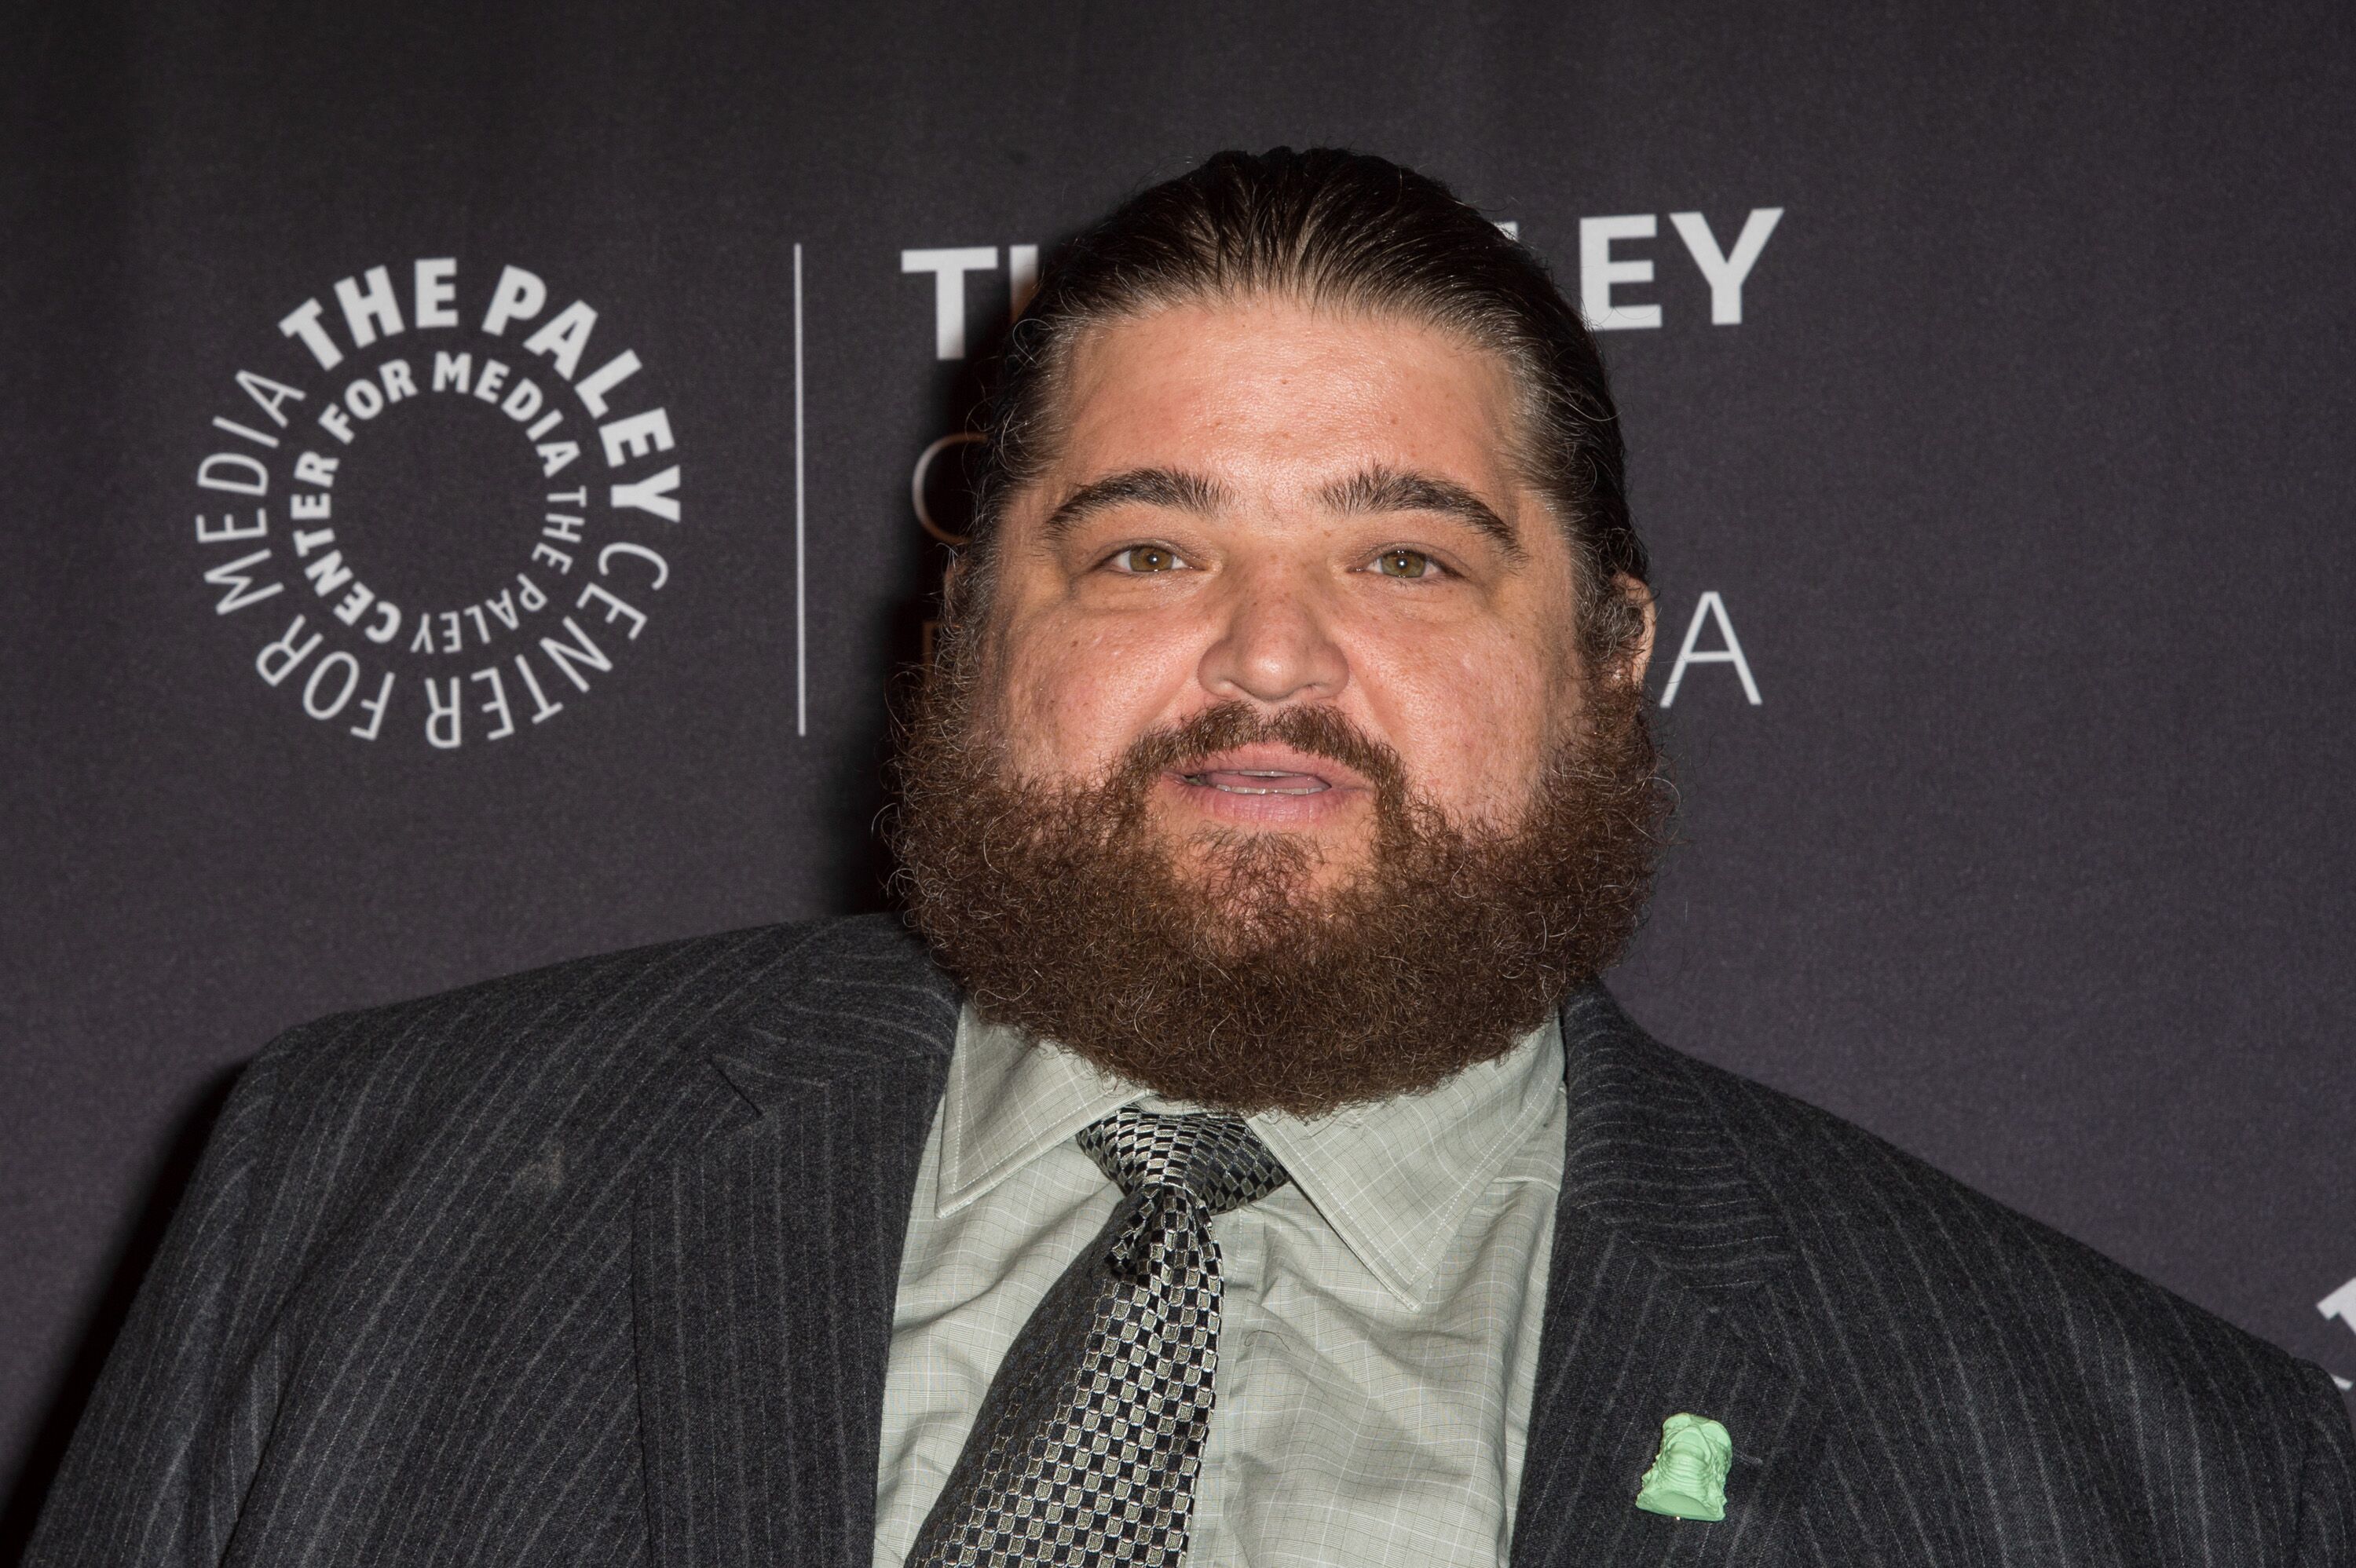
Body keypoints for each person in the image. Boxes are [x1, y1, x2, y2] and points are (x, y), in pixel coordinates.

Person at [28, 148, 2354, 1568]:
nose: (1265, 661)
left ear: (1614, 647)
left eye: (1410, 561)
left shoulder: (2151, 1475)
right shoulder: (356, 1198)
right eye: (1144, 550)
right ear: (972, 627)